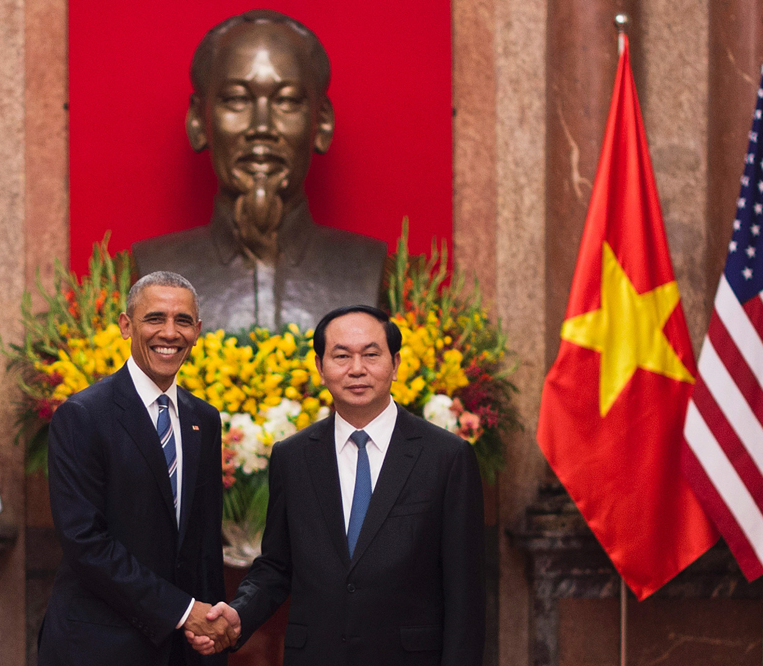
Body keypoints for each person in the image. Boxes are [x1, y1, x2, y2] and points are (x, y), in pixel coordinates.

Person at [187, 305, 486, 665]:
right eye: (341, 356)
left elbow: (465, 594)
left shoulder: (446, 457)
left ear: (395, 363)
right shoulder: (292, 456)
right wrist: (239, 615)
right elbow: (277, 566)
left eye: (371, 355)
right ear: (320, 367)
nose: (356, 369)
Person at [132, 10, 386, 333]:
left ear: (322, 122)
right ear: (198, 121)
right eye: (237, 100)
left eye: (287, 101)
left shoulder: (369, 268)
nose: (262, 127)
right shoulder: (148, 267)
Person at [38, 271, 236, 666]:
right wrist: (183, 612)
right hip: (99, 647)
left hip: (185, 650)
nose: (169, 332)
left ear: (197, 331)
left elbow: (204, 545)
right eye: (154, 319)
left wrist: (213, 628)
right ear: (126, 326)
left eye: (182, 321)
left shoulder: (204, 419)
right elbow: (86, 543)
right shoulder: (82, 416)